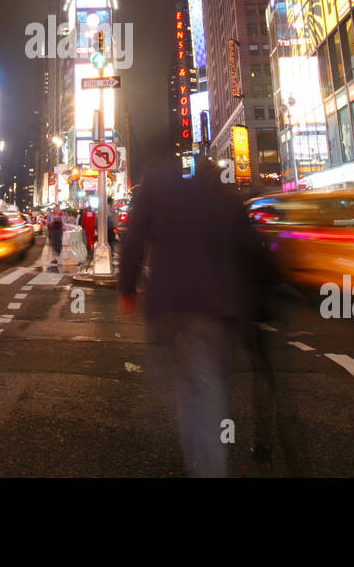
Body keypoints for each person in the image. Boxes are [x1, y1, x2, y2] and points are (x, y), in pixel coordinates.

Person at [118, 144, 270, 478]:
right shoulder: (220, 187)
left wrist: (127, 288)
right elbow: (247, 244)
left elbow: (134, 238)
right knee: (208, 388)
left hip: (171, 304)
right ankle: (207, 466)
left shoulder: (154, 182)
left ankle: (203, 466)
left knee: (192, 391)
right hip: (218, 306)